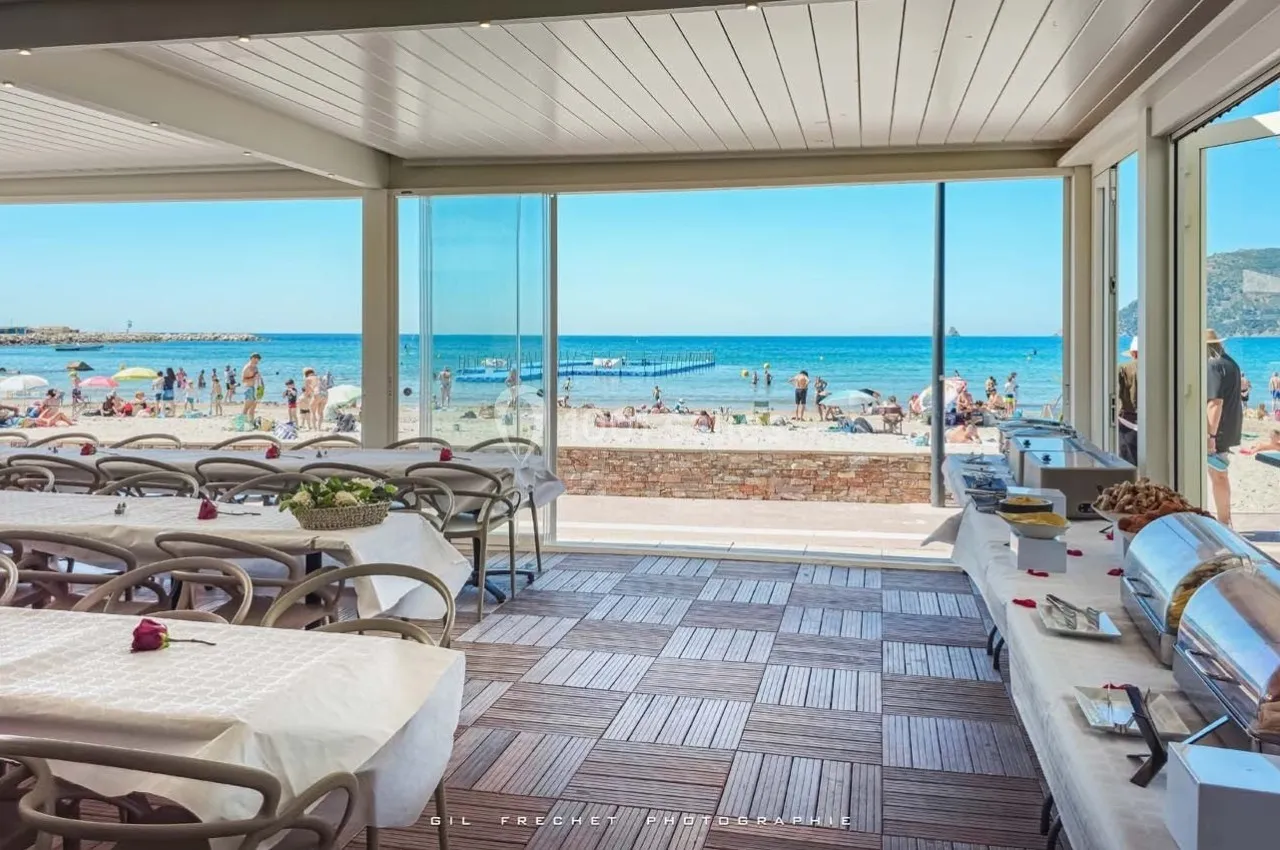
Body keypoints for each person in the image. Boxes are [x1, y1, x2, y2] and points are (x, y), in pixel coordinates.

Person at [1206, 329, 1243, 527]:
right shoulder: (1231, 363)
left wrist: (1210, 436)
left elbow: (1215, 403)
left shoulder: (1213, 365)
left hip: (1217, 430)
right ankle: (1225, 519)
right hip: (1229, 426)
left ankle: (1223, 522)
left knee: (1218, 475)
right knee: (1219, 474)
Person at [1117, 336, 1139, 465]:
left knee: (1128, 464)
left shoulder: (1124, 369)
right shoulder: (1157, 370)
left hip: (1128, 422)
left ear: (1133, 353)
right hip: (1152, 423)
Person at [241, 353, 262, 419]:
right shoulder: (247, 367)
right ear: (252, 358)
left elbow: (258, 377)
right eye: (256, 360)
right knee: (246, 407)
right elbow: (243, 380)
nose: (257, 362)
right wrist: (253, 378)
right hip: (248, 388)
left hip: (255, 388)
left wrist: (261, 387)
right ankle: (241, 422)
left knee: (253, 407)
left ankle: (251, 422)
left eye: (258, 360)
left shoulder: (255, 367)